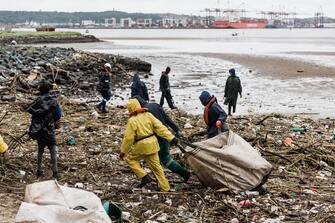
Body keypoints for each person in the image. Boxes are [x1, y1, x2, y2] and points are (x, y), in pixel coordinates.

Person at [119, 99, 178, 192]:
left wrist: (123, 151)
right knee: (157, 168)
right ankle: (165, 188)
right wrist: (171, 137)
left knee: (130, 159)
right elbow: (160, 128)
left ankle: (144, 176)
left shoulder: (132, 121)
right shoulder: (148, 115)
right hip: (153, 144)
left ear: (130, 108)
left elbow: (128, 138)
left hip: (141, 146)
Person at [133, 96, 191, 182]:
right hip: (166, 135)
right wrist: (176, 129)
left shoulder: (144, 112)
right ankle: (180, 171)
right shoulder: (155, 105)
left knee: (163, 159)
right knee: (164, 157)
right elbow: (166, 118)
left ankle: (183, 173)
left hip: (157, 138)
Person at [26, 81, 62, 179]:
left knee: (40, 150)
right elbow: (58, 115)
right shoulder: (53, 101)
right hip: (49, 129)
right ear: (49, 90)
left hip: (38, 130)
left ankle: (39, 171)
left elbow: (31, 111)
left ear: (39, 90)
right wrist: (52, 120)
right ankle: (55, 172)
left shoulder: (36, 101)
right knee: (52, 149)